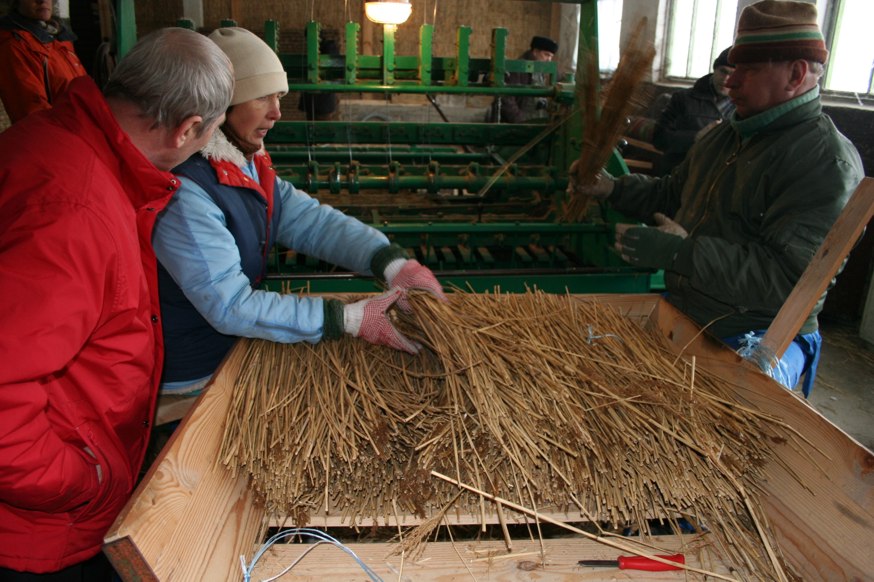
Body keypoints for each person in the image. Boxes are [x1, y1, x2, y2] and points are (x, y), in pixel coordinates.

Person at [0, 28, 233, 579]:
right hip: (39, 529)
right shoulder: (76, 210)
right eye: (211, 133)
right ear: (187, 129)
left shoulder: (53, 141)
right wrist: (86, 480)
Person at [568, 0, 864, 398]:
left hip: (760, 332)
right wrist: (611, 188)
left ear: (795, 74)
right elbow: (673, 193)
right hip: (691, 308)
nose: (730, 82)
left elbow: (788, 282)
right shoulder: (726, 135)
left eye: (748, 69)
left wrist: (681, 253)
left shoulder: (824, 162)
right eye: (733, 67)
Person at [153, 27, 446, 395]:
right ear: (221, 105)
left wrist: (390, 262)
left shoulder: (246, 164)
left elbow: (309, 222)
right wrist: (346, 318)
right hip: (195, 372)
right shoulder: (185, 191)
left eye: (278, 97)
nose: (277, 112)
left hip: (232, 349)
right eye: (262, 97)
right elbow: (230, 306)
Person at [0, 0, 87, 124]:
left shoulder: (59, 37)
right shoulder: (15, 46)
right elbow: (33, 112)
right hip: (59, 132)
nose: (43, 1)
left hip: (79, 128)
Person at [652, 47, 735, 175]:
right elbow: (659, 138)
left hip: (718, 178)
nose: (725, 79)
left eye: (732, 74)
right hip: (679, 174)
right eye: (723, 71)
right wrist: (696, 137)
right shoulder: (683, 99)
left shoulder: (745, 108)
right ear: (714, 69)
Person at [490, 35, 557, 123]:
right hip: (516, 123)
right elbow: (506, 99)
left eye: (551, 56)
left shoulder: (539, 70)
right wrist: (520, 121)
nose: (549, 60)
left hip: (532, 120)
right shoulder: (518, 69)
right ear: (535, 52)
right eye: (546, 55)